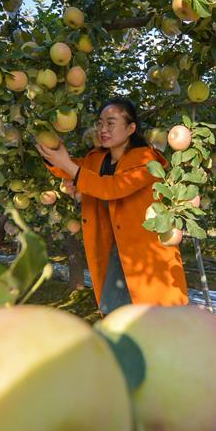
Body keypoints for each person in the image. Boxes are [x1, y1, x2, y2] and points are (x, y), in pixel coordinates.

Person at [37, 97, 189, 314]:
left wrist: (68, 167)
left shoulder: (147, 160)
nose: (103, 129)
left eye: (111, 123)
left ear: (130, 128)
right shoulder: (97, 159)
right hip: (110, 250)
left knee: (153, 320)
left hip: (143, 252)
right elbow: (68, 168)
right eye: (100, 123)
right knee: (114, 316)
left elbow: (114, 188)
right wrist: (51, 150)